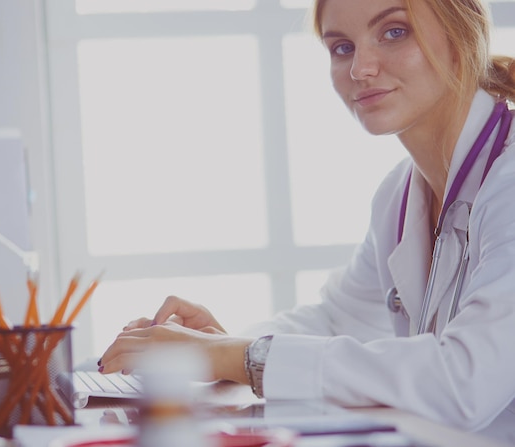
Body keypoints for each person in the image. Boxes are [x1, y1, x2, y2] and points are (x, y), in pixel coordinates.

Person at [100, 0, 515, 441]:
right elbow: (337, 319)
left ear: (462, 35)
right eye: (341, 47)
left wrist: (239, 356)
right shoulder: (399, 194)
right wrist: (219, 345)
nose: (361, 68)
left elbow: (466, 382)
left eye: (395, 32)